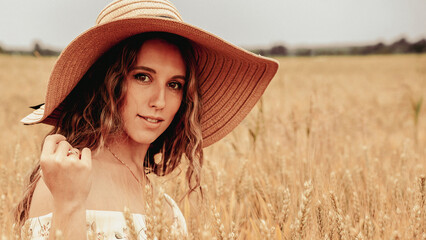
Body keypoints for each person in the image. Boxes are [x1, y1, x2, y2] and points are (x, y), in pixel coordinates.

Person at [14, 0, 278, 239]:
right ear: (108, 82)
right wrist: (69, 204)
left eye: (175, 84)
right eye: (142, 77)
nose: (160, 101)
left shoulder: (168, 210)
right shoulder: (65, 179)